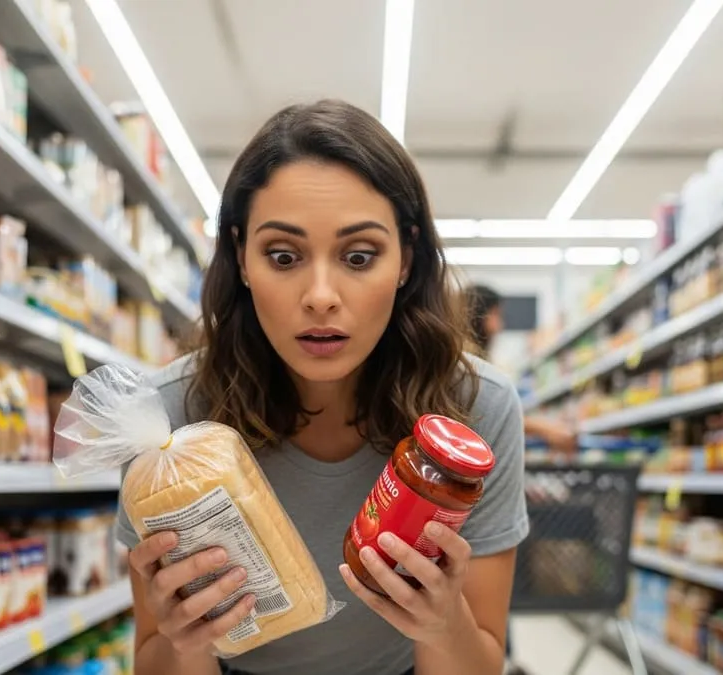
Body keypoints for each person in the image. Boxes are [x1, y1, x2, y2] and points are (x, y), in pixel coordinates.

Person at [116, 100, 528, 675]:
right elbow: (152, 659)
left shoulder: (475, 411)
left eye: (359, 256)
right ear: (240, 256)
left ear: (406, 258)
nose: (320, 296)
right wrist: (187, 641)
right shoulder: (169, 418)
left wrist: (443, 625)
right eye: (283, 256)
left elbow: (481, 661)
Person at [465, 283, 577, 453]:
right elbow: (486, 414)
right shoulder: (468, 364)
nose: (500, 326)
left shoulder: (475, 360)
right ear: (480, 315)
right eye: (497, 315)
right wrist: (543, 429)